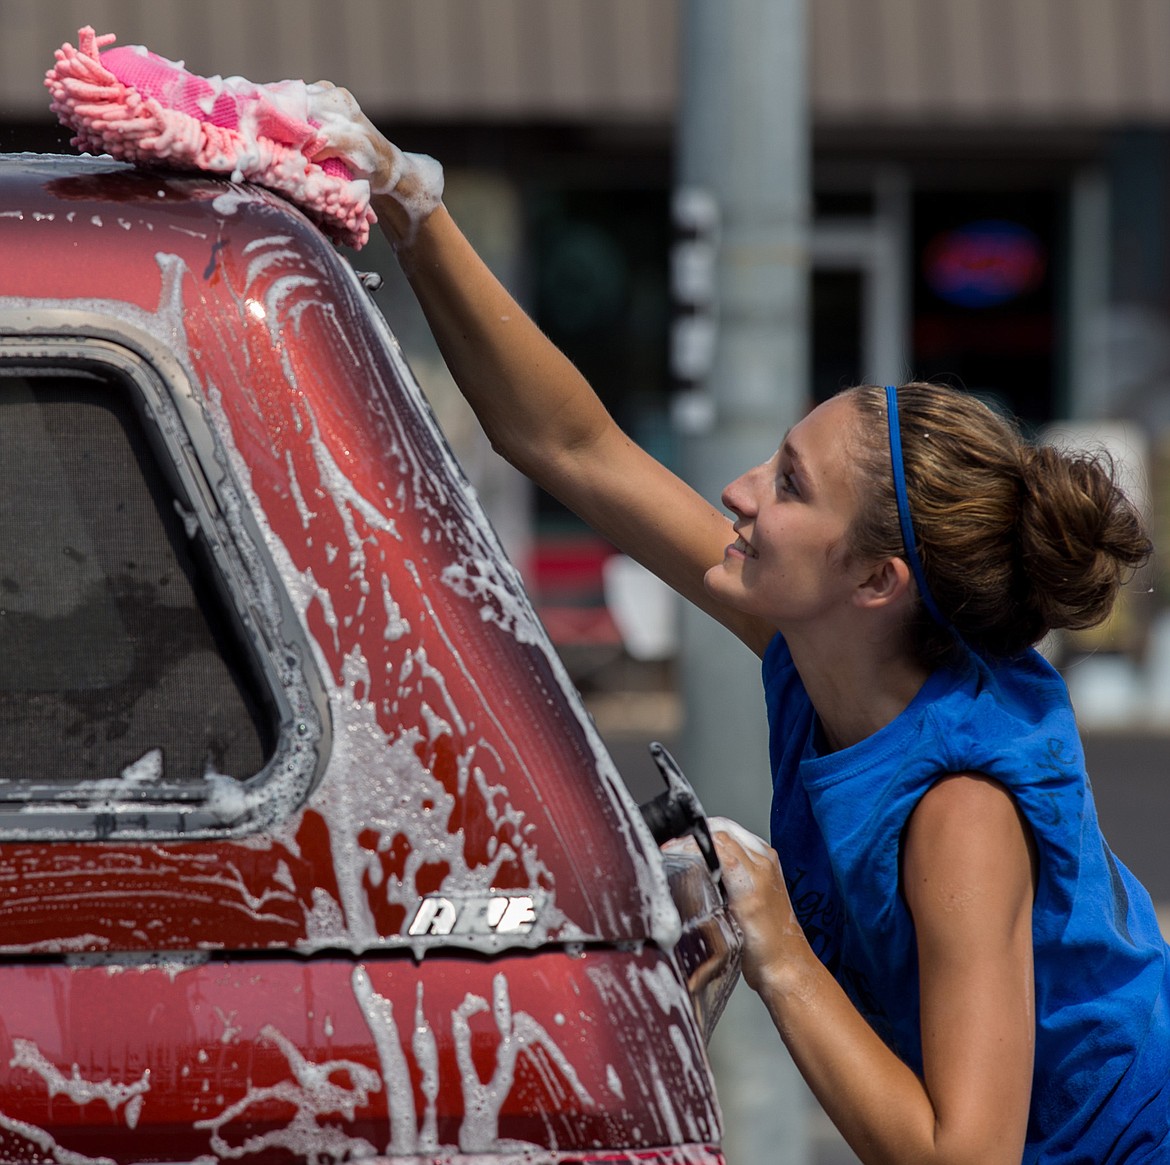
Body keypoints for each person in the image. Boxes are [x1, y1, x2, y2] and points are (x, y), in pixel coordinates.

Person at [313, 89, 1170, 1164]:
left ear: (874, 580)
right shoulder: (817, 649)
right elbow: (573, 445)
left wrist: (776, 938)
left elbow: (968, 1156)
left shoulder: (963, 810)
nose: (738, 487)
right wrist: (413, 204)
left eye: (790, 484)